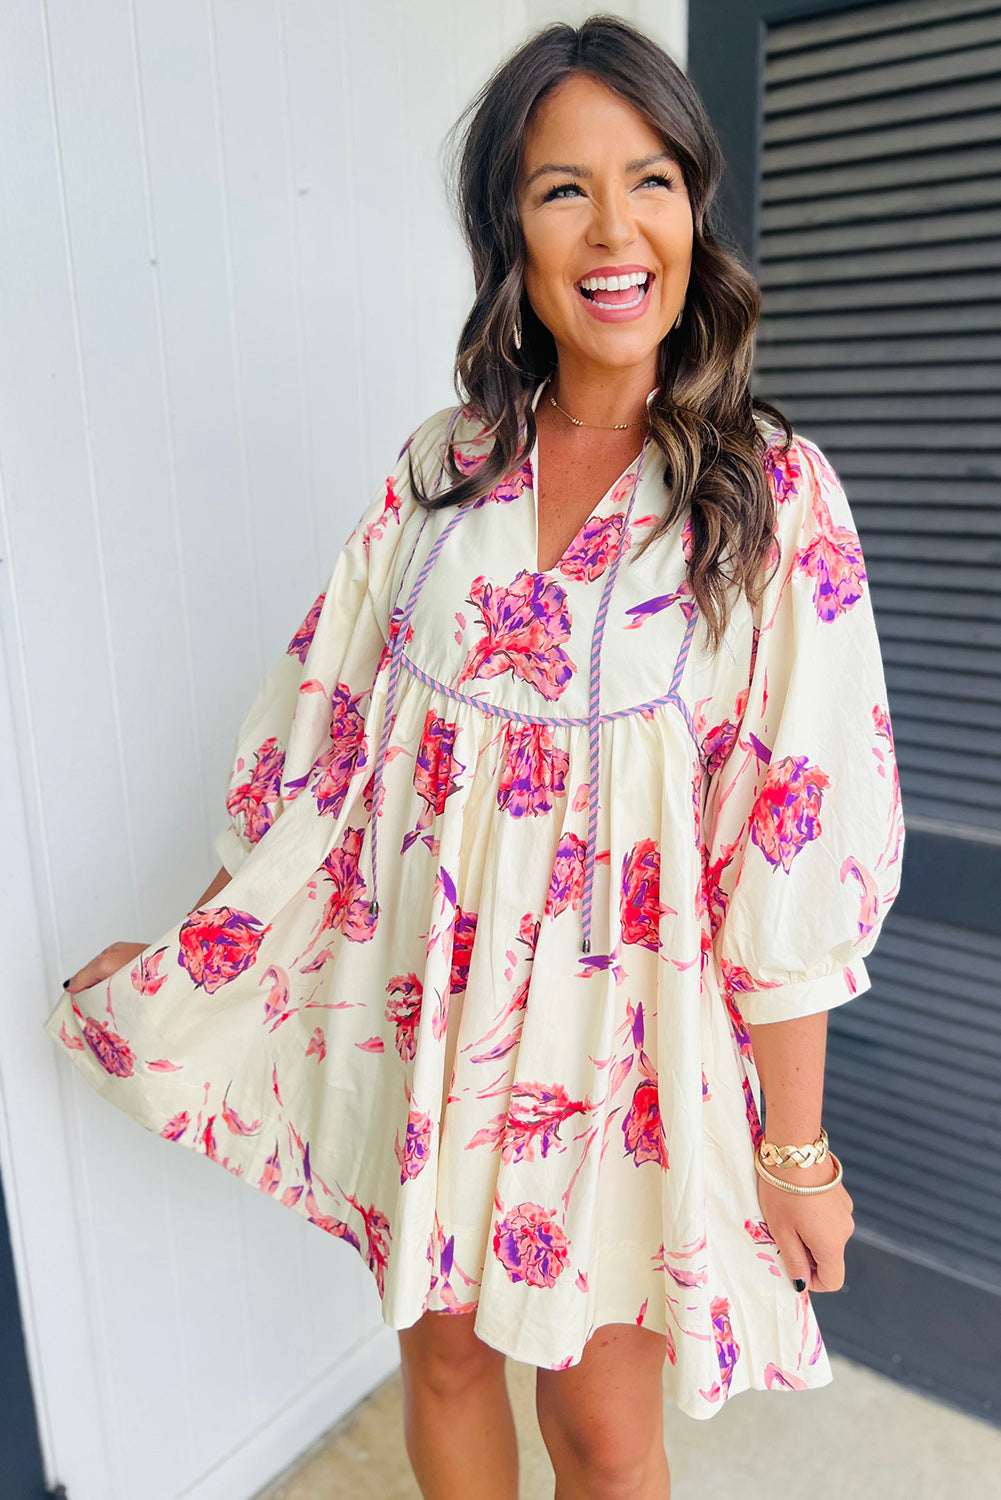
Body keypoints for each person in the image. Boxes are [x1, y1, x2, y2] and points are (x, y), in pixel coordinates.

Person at [47, 15, 905, 1500]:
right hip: (430, 1019)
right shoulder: (441, 471)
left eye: (648, 180)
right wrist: (202, 959)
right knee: (441, 1365)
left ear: (694, 208)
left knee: (601, 1433)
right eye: (563, 188)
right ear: (512, 232)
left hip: (625, 1059)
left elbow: (795, 839)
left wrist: (796, 1152)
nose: (614, 228)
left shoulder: (771, 497)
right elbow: (325, 753)